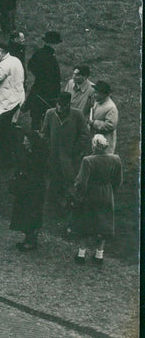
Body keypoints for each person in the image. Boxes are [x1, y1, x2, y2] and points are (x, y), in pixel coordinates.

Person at [71, 134, 123, 265]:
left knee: (85, 221)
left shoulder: (88, 160)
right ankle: (99, 255)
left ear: (94, 146)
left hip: (91, 194)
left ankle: (81, 253)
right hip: (107, 193)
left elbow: (81, 182)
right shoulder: (115, 159)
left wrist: (79, 195)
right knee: (104, 224)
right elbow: (118, 180)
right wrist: (111, 191)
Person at [39, 92, 90, 207]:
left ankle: (71, 200)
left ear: (68, 105)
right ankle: (54, 201)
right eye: (58, 104)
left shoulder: (77, 115)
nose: (60, 108)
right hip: (53, 154)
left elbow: (84, 135)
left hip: (70, 155)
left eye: (63, 105)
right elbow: (44, 133)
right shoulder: (50, 113)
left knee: (70, 178)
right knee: (53, 177)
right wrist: (48, 146)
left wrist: (75, 150)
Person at [8, 128, 49, 251]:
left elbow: (37, 171)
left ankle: (32, 241)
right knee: (23, 213)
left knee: (32, 213)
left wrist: (23, 173)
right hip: (25, 188)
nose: (23, 143)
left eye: (26, 141)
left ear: (32, 142)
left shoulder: (39, 155)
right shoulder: (26, 152)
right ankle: (27, 238)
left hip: (35, 189)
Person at [25, 31, 62, 131]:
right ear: (54, 44)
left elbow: (30, 65)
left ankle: (34, 136)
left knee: (35, 120)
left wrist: (39, 75)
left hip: (37, 91)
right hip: (48, 94)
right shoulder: (50, 57)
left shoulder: (38, 53)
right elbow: (53, 78)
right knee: (47, 122)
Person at [89, 80, 118, 153]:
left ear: (103, 94)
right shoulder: (98, 101)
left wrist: (94, 123)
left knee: (103, 157)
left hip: (105, 140)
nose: (94, 95)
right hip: (96, 137)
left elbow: (110, 126)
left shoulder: (111, 108)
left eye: (96, 93)